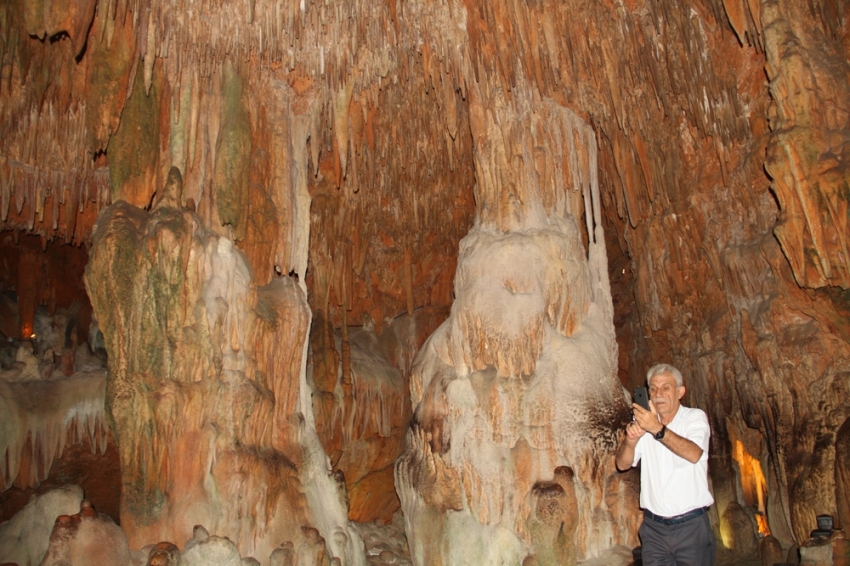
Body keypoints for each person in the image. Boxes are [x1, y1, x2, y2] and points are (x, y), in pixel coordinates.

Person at [616, 363, 716, 566]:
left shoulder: (694, 418)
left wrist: (657, 428)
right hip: (654, 530)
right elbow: (622, 464)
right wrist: (631, 441)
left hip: (691, 527)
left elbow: (694, 453)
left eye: (665, 388)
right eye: (653, 388)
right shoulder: (645, 423)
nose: (658, 393)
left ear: (680, 392)